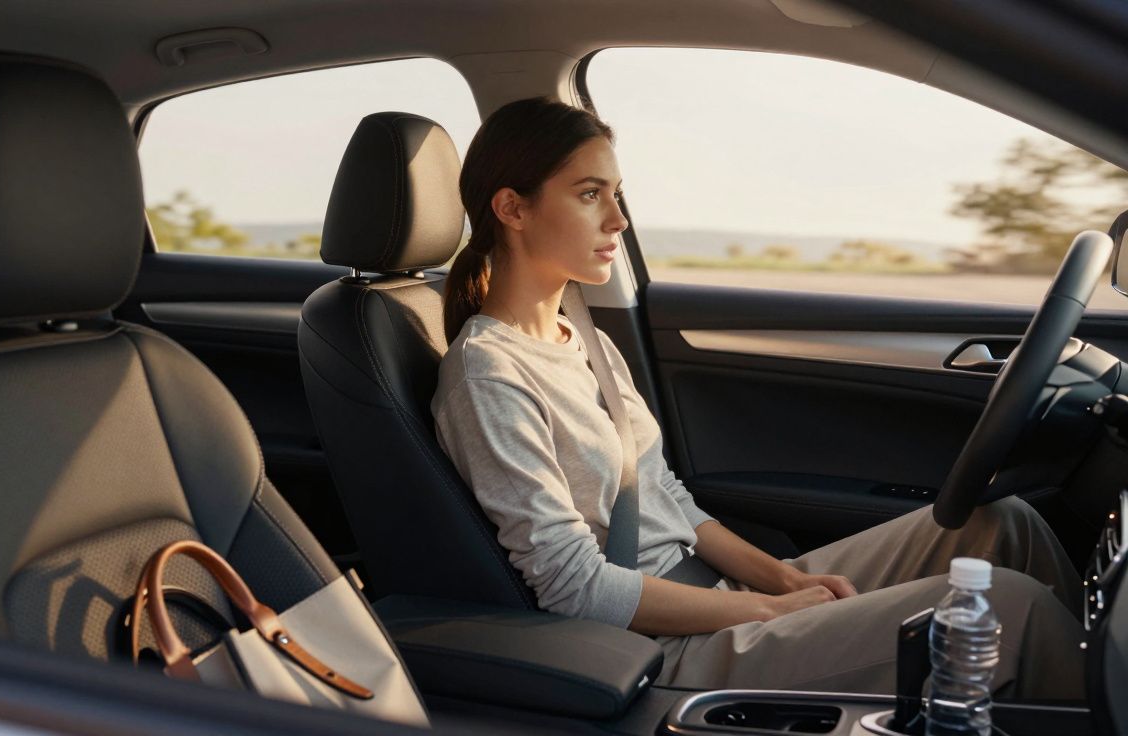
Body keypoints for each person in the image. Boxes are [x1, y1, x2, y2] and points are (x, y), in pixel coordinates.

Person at [431, 97, 1086, 698]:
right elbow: (574, 587)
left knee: (999, 525)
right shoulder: (489, 373)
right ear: (512, 209)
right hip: (662, 646)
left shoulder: (582, 335)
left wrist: (784, 580)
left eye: (617, 193)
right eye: (589, 194)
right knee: (1006, 607)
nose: (618, 218)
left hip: (718, 597)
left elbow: (668, 503)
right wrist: (770, 611)